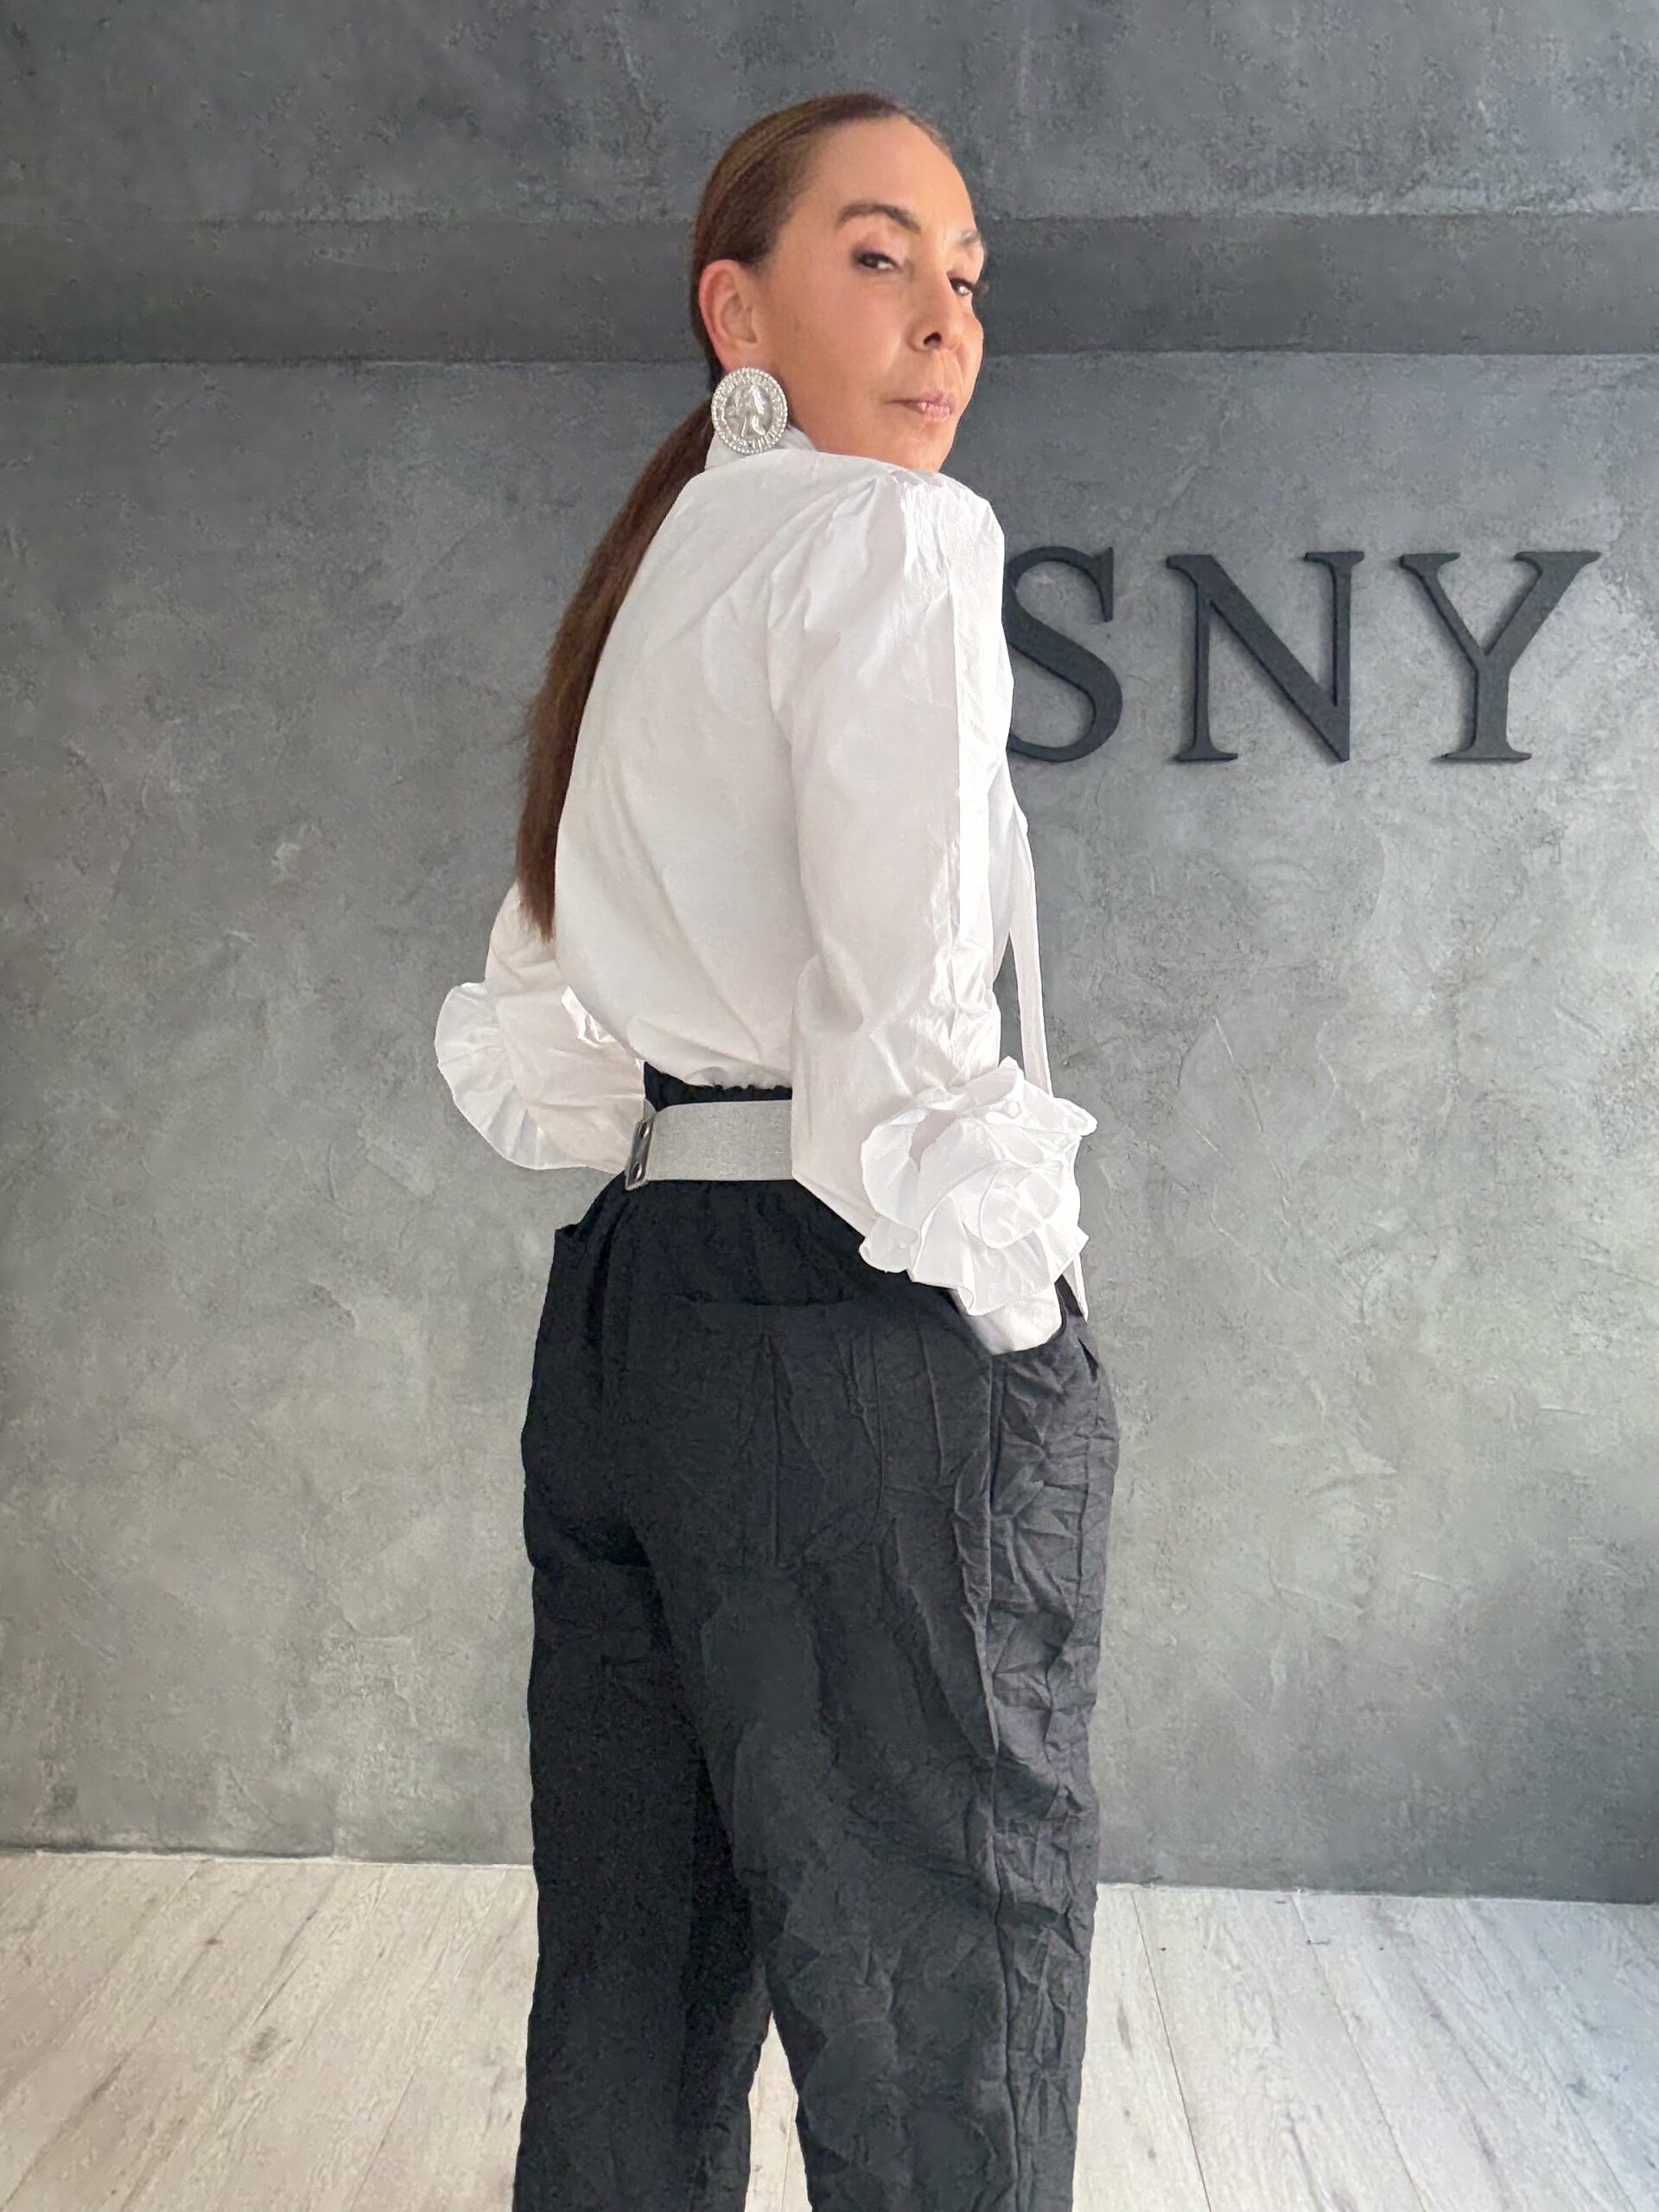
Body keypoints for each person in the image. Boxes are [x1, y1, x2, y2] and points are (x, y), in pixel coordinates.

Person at [435, 90, 1121, 2212]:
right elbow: (909, 1025)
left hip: (635, 1311)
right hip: (851, 1316)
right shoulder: (897, 538)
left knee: (633, 1975)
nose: (944, 321)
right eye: (879, 255)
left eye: (968, 278)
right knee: (941, 1975)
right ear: (738, 310)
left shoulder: (650, 579)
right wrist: (1022, 1323)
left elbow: (551, 1032)